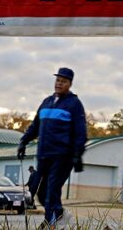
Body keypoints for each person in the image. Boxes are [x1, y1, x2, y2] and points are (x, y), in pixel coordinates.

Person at [18, 67, 87, 229]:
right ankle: (59, 214)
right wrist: (23, 142)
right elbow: (35, 125)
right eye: (57, 80)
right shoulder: (47, 102)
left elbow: (81, 132)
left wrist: (77, 153)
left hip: (63, 155)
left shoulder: (74, 104)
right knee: (41, 194)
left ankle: (51, 222)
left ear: (70, 84)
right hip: (44, 154)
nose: (59, 83)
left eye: (63, 81)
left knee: (52, 189)